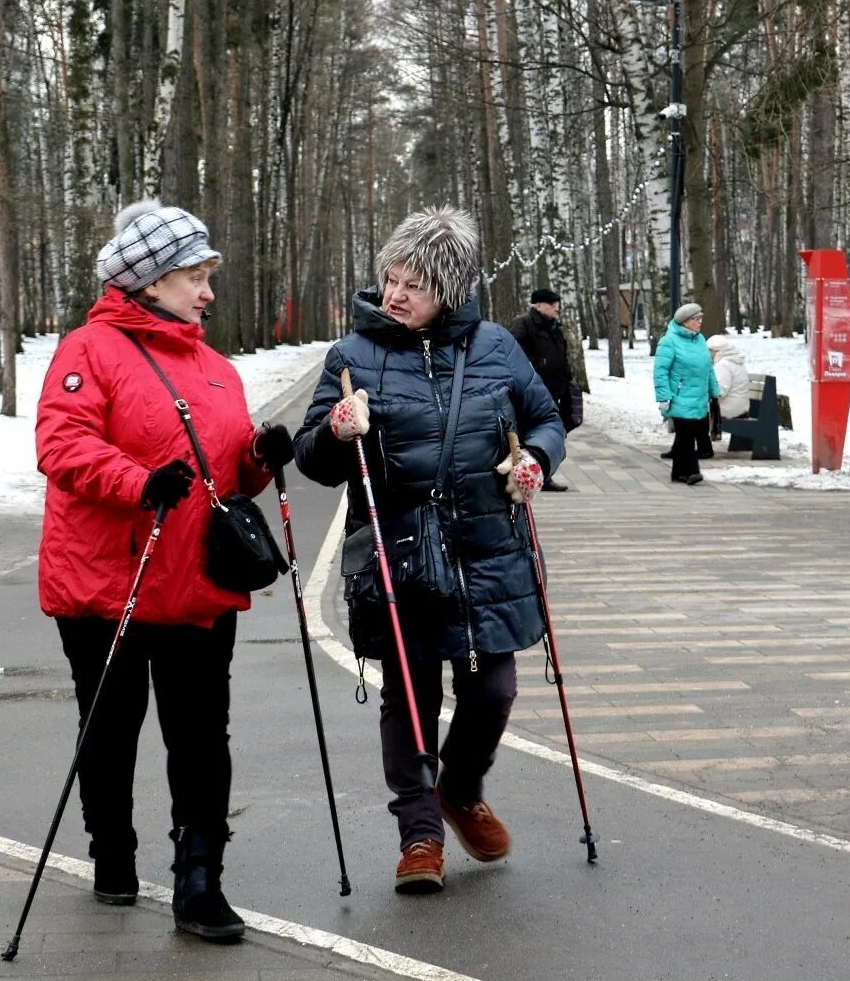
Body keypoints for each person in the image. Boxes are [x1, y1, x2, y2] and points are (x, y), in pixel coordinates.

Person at [35, 200, 292, 943]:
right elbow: (62, 445)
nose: (207, 292)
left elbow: (228, 464)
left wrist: (258, 455)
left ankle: (200, 876)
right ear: (147, 282)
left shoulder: (216, 368)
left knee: (202, 735)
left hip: (196, 583)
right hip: (105, 584)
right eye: (193, 277)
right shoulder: (88, 350)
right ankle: (112, 854)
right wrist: (138, 481)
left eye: (208, 275)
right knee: (110, 730)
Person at [292, 205, 566, 894]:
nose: (394, 293)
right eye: (390, 277)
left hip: (486, 549)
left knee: (493, 690)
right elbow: (313, 461)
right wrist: (335, 429)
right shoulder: (352, 357)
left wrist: (535, 458)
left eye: (413, 282)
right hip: (399, 552)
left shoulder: (498, 347)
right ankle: (420, 836)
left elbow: (545, 418)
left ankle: (461, 786)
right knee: (408, 698)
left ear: (449, 288)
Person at [506, 288, 577, 492]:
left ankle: (545, 471)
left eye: (557, 304)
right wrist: (534, 370)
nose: (557, 308)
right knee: (537, 432)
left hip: (558, 387)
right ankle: (537, 473)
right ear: (538, 305)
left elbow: (561, 354)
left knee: (558, 429)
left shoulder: (554, 326)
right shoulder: (524, 324)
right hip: (536, 388)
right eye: (552, 304)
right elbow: (514, 354)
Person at [654, 302, 719, 485]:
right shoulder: (669, 341)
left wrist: (714, 391)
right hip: (679, 396)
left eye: (701, 319)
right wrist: (664, 397)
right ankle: (691, 472)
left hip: (698, 398)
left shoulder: (699, 340)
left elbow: (709, 369)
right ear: (684, 321)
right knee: (686, 434)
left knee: (686, 435)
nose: (700, 322)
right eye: (696, 319)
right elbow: (660, 372)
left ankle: (678, 473)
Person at [706, 334, 750, 440]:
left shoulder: (723, 364)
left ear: (716, 351)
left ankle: (699, 447)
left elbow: (720, 392)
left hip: (729, 408)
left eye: (709, 351)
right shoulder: (734, 361)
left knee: (692, 410)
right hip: (739, 406)